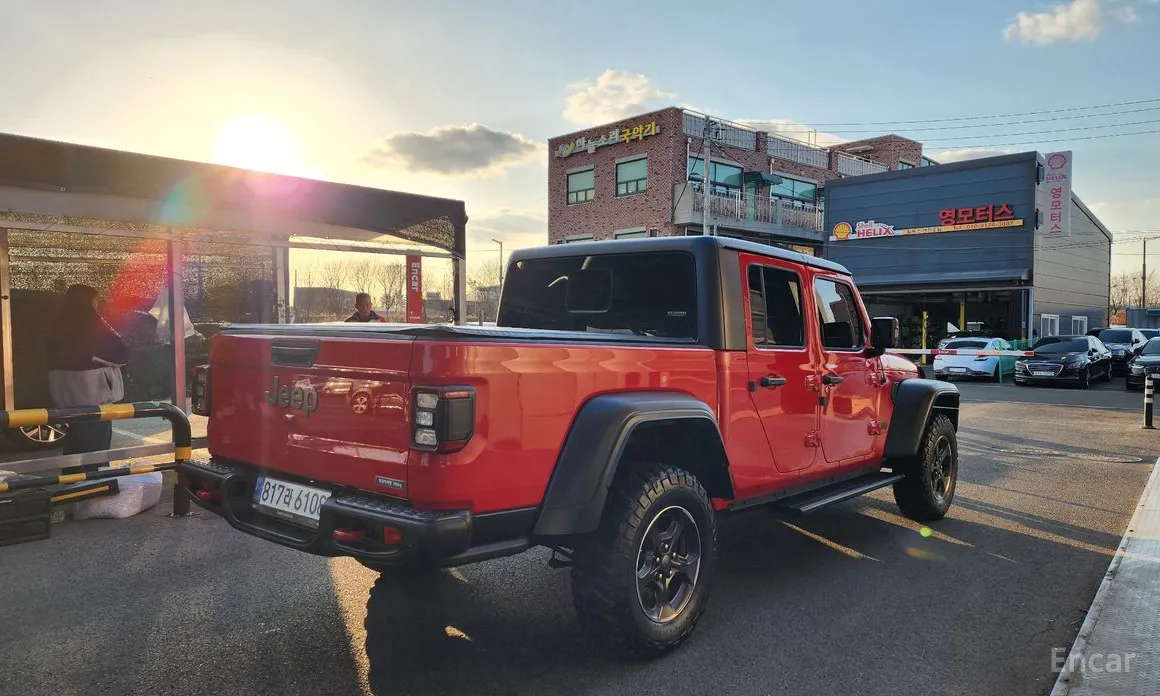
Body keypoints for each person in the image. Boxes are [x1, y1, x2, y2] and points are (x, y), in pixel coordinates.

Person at [46, 284, 130, 472]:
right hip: (92, 393)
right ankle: (93, 485)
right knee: (95, 443)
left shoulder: (58, 325)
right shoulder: (93, 325)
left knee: (74, 440)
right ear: (88, 301)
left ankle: (71, 480)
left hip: (64, 394)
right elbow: (120, 354)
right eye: (94, 300)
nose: (96, 304)